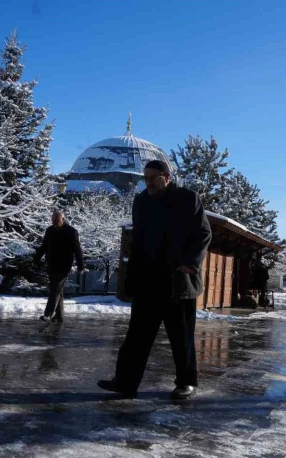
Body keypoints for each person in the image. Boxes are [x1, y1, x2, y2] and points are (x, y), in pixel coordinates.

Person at [98, 160, 211, 399]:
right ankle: (125, 382)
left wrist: (190, 262)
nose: (147, 183)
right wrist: (131, 274)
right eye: (145, 178)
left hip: (177, 280)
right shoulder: (141, 202)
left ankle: (185, 382)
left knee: (181, 337)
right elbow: (137, 240)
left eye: (152, 178)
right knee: (136, 337)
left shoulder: (187, 199)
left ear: (166, 176)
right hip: (147, 280)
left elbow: (203, 233)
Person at [34, 209, 85, 323]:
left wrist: (81, 265)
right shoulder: (49, 230)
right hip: (51, 264)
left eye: (56, 220)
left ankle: (48, 314)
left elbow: (77, 250)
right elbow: (44, 246)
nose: (54, 223)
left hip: (64, 266)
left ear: (63, 219)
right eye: (53, 220)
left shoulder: (71, 232)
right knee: (58, 290)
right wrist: (36, 258)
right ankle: (59, 316)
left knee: (55, 289)